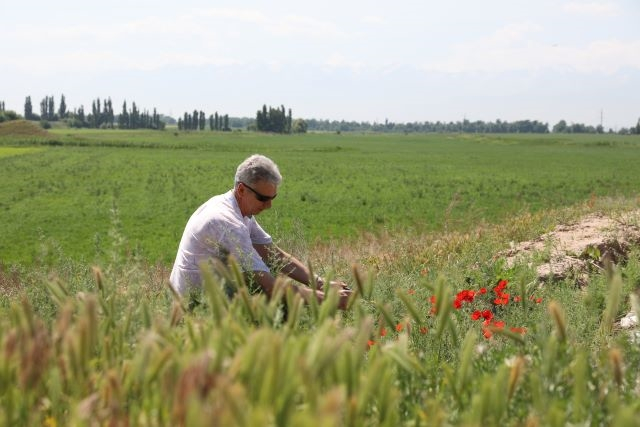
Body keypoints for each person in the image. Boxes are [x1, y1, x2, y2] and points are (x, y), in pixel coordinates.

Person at [170, 154, 352, 309]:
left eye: (273, 198)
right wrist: (329, 299)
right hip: (193, 308)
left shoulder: (238, 210)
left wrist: (321, 284)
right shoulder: (227, 222)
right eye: (263, 198)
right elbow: (271, 287)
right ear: (241, 189)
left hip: (210, 301)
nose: (269, 205)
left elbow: (273, 254)